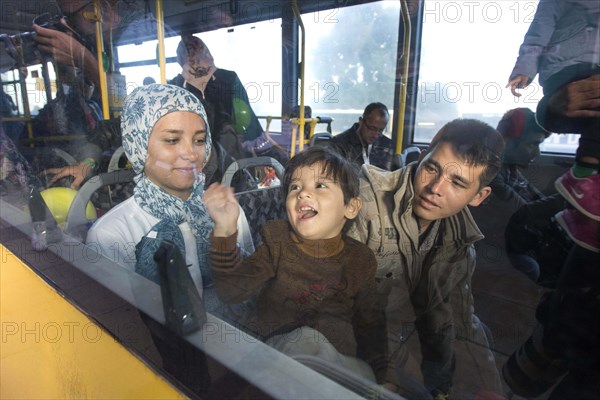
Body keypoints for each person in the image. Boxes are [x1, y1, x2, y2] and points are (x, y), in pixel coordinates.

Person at [205, 146, 407, 394]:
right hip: (282, 354)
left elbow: (371, 324)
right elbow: (230, 292)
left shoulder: (359, 259)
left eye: (320, 186)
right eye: (295, 187)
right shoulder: (278, 240)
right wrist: (225, 230)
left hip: (338, 365)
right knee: (304, 340)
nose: (303, 194)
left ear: (350, 208)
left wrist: (385, 374)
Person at [348, 119, 505, 399]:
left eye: (457, 183)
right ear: (421, 158)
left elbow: (458, 319)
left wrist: (480, 385)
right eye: (432, 168)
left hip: (400, 333)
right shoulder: (364, 205)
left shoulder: (461, 245)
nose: (435, 188)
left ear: (479, 196)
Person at [86, 84, 254, 312]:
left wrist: (226, 234)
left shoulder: (229, 213)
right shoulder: (112, 235)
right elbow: (125, 325)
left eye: (199, 140)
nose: (191, 154)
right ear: (139, 146)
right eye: (172, 140)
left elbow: (250, 295)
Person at [503, 75, 600, 399]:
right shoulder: (495, 182)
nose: (535, 153)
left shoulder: (515, 177)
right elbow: (518, 216)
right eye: (532, 144)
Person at [506, 0, 599, 234]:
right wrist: (524, 69)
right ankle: (583, 175)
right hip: (565, 67)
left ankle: (582, 192)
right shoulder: (500, 177)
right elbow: (540, 29)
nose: (536, 153)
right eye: (533, 144)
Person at [483, 108, 568, 284]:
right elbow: (524, 212)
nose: (537, 153)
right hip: (495, 246)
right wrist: (568, 196)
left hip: (511, 239)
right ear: (507, 142)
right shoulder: (490, 173)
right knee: (531, 267)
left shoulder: (510, 168)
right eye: (532, 144)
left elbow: (534, 196)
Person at [330, 102, 394, 170]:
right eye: (372, 128)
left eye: (381, 130)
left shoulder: (386, 145)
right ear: (361, 121)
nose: (376, 135)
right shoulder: (340, 144)